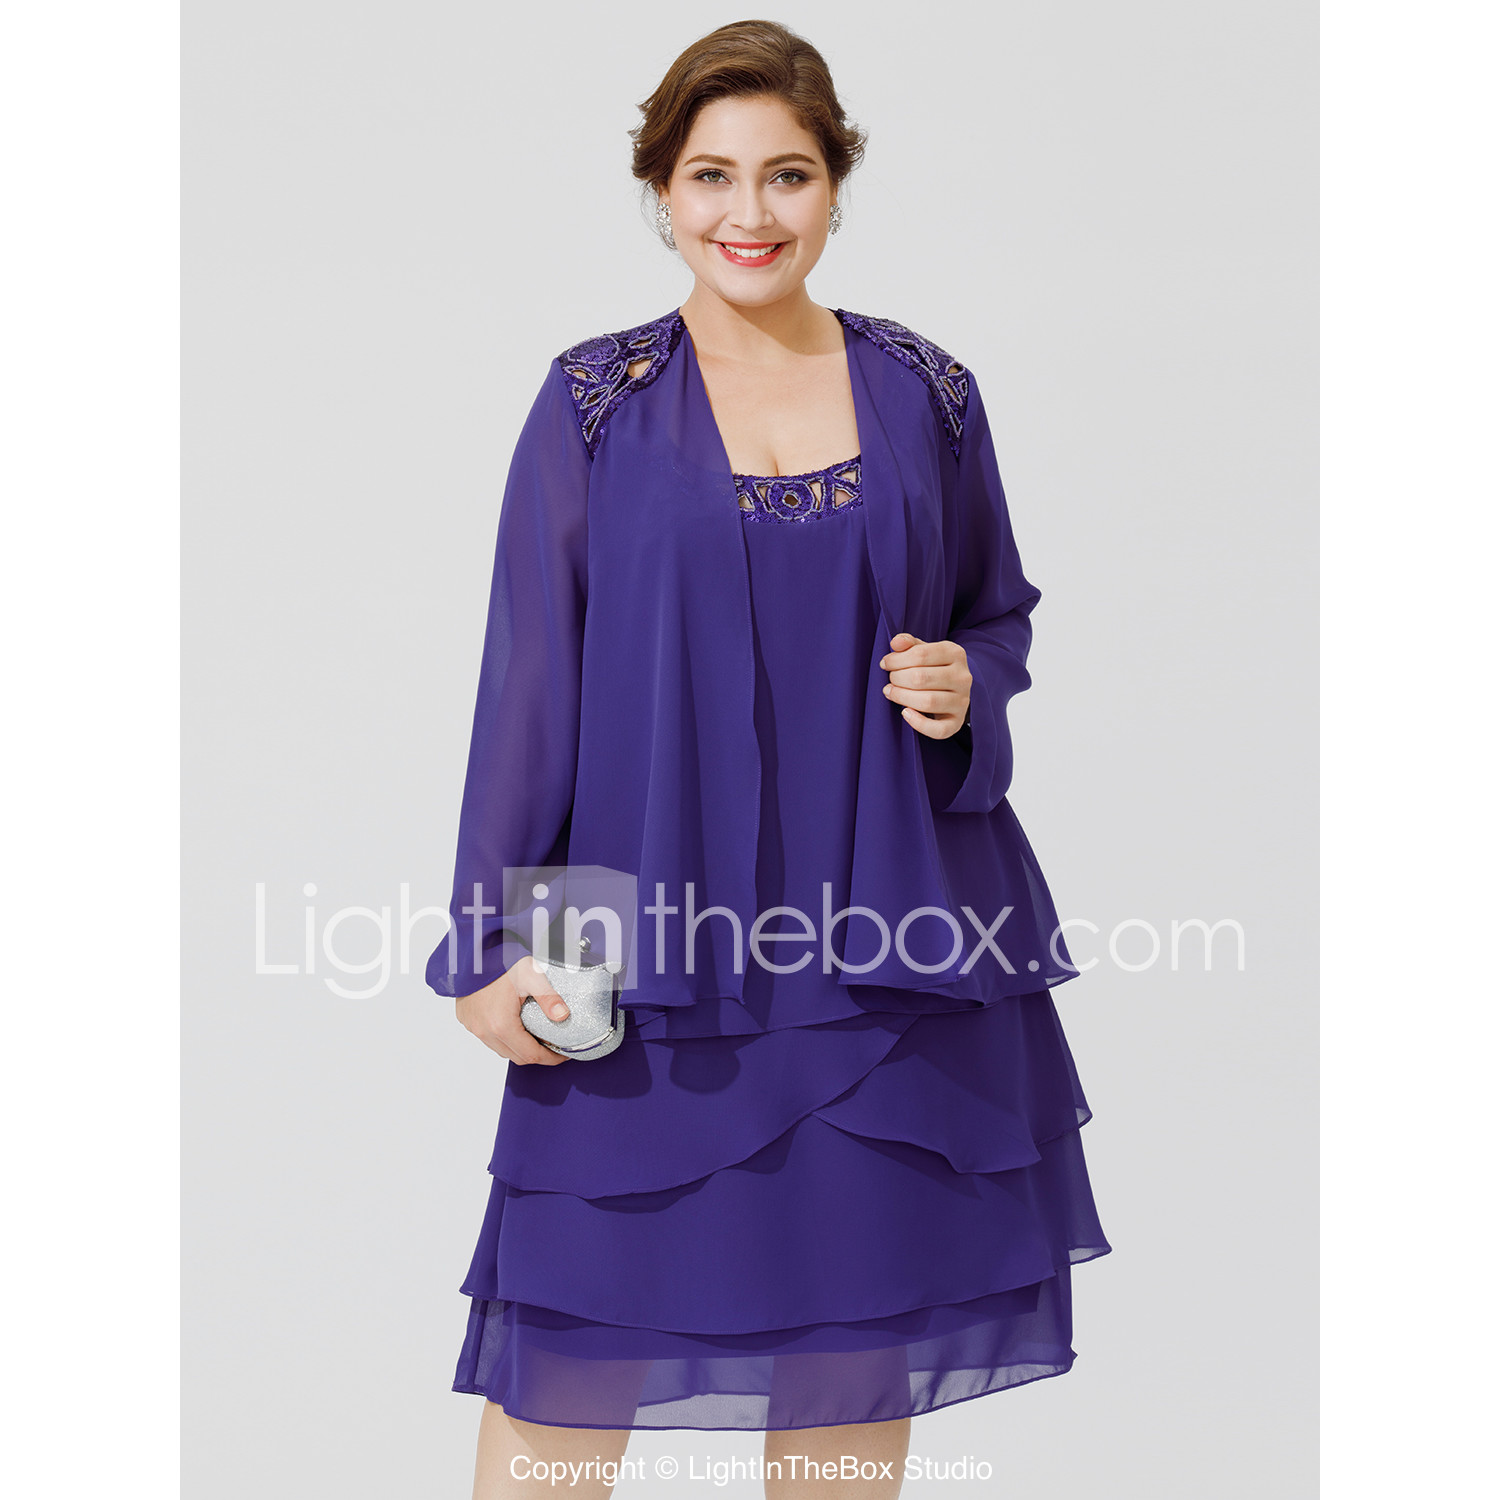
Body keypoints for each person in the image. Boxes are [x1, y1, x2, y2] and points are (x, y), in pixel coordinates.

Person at [426, 20, 1112, 1499]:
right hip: (646, 952)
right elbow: (529, 682)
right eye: (713, 176)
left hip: (895, 954)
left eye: (788, 175)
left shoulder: (928, 391)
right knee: (570, 1362)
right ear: (662, 191)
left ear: (836, 186)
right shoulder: (595, 402)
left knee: (854, 1358)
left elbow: (995, 613)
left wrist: (968, 683)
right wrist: (491, 939)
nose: (751, 212)